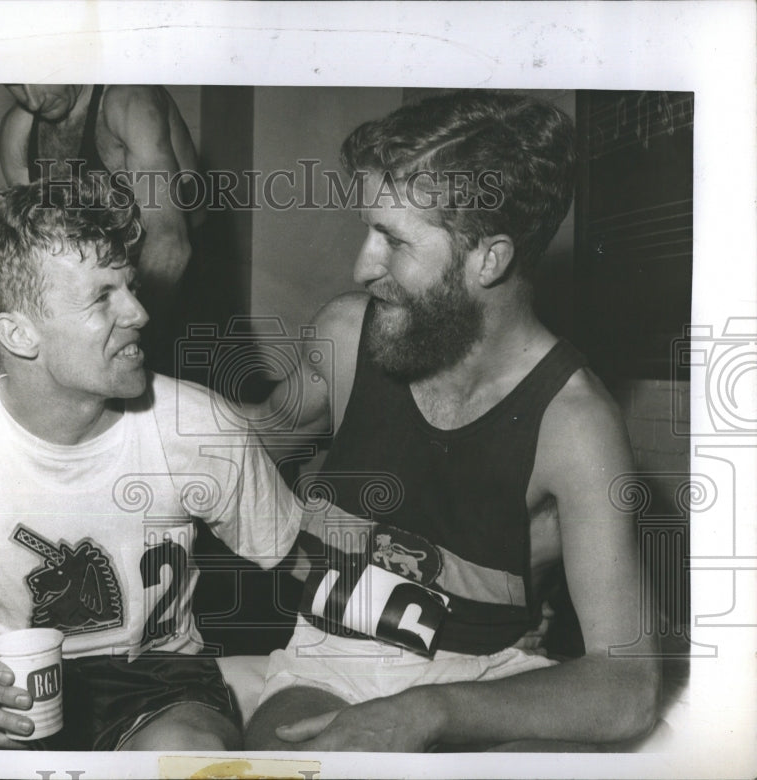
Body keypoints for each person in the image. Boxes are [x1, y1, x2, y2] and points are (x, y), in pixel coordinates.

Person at [243, 92, 661, 752]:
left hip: (488, 681)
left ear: (488, 259)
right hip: (330, 666)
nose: (361, 267)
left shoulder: (573, 421)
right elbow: (235, 450)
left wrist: (424, 711)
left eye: (394, 240)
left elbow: (628, 685)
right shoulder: (347, 334)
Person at [0, 175, 300, 750]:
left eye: (129, 285)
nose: (138, 312)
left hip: (162, 690)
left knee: (189, 756)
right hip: (14, 696)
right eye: (101, 295)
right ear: (18, 333)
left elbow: (307, 563)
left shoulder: (199, 426)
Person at [0, 84, 202, 375]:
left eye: (37, 76)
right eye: (14, 84)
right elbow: (30, 257)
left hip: (175, 302)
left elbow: (171, 246)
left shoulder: (128, 102)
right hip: (97, 314)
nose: (31, 99)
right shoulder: (18, 129)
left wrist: (125, 343)